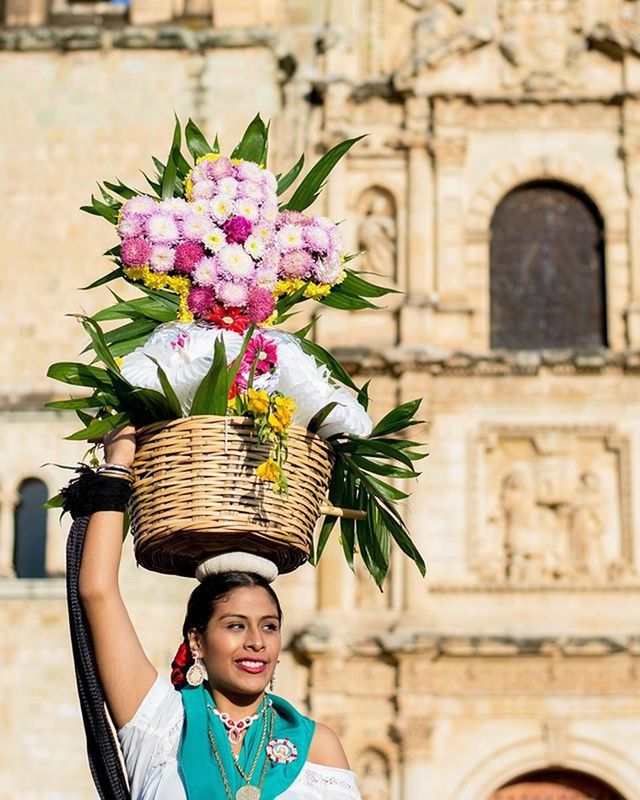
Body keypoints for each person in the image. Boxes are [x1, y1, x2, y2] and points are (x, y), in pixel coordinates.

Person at [73, 424, 361, 800]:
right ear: (197, 640)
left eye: (270, 627)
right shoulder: (161, 724)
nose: (256, 642)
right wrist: (118, 466)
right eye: (236, 625)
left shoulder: (317, 747)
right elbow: (97, 591)